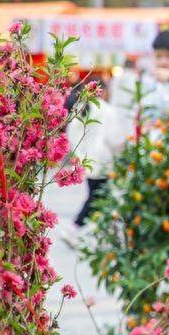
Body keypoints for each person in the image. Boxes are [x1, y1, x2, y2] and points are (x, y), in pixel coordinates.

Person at [66, 77, 133, 227]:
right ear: (104, 91)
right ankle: (78, 227)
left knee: (98, 196)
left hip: (87, 161)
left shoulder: (81, 108)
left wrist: (79, 155)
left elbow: (72, 135)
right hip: (104, 161)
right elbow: (115, 139)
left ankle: (100, 229)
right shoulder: (107, 110)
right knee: (97, 197)